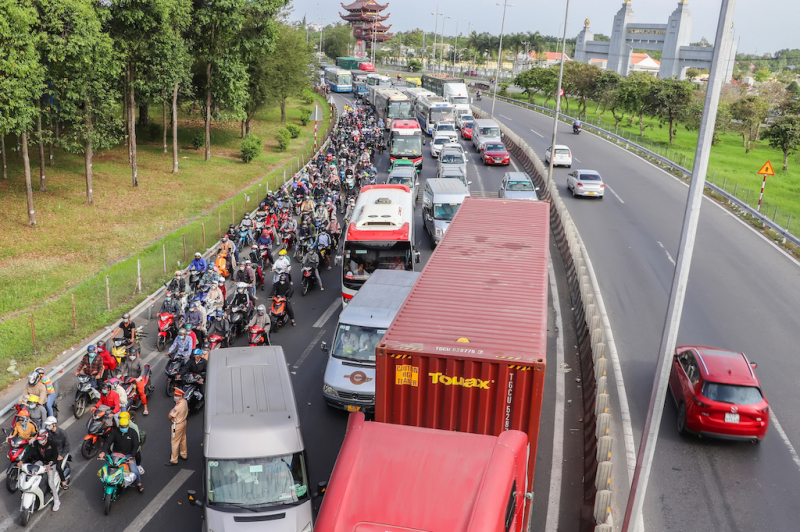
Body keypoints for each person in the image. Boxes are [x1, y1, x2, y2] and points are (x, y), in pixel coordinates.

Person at [99, 417, 143, 493]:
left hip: (128, 455)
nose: (124, 428)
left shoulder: (132, 433)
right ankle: (106, 482)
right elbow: (108, 442)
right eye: (122, 427)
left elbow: (136, 445)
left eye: (125, 426)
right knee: (107, 468)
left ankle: (139, 483)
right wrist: (103, 452)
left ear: (128, 426)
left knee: (134, 471)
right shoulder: (114, 432)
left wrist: (132, 457)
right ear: (119, 426)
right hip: (116, 454)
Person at [23, 430, 64, 511]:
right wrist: (22, 460)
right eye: (38, 439)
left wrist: (50, 465)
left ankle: (57, 500)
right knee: (33, 472)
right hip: (41, 461)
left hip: (50, 463)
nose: (39, 441)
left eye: (41, 439)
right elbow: (30, 451)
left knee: (50, 482)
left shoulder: (52, 444)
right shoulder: (37, 443)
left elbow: (55, 456)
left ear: (45, 438)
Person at [116, 347, 149, 416]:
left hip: (138, 378)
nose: (131, 356)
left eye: (133, 355)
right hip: (129, 378)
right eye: (130, 354)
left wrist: (140, 377)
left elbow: (142, 369)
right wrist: (120, 374)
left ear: (135, 354)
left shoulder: (139, 360)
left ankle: (145, 408)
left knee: (141, 392)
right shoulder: (128, 360)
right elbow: (124, 367)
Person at [44, 416, 70, 491]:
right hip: (50, 453)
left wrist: (61, 455)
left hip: (59, 453)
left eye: (49, 425)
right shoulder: (47, 432)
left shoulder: (62, 433)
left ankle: (63, 482)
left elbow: (67, 445)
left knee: (58, 467)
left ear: (54, 424)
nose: (48, 426)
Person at [166, 388, 189, 466]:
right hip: (184, 422)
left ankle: (174, 459)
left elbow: (170, 416)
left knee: (175, 442)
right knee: (183, 439)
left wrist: (170, 411)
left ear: (180, 396)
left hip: (178, 425)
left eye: (176, 395)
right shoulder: (184, 402)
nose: (175, 396)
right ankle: (184, 454)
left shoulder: (177, 407)